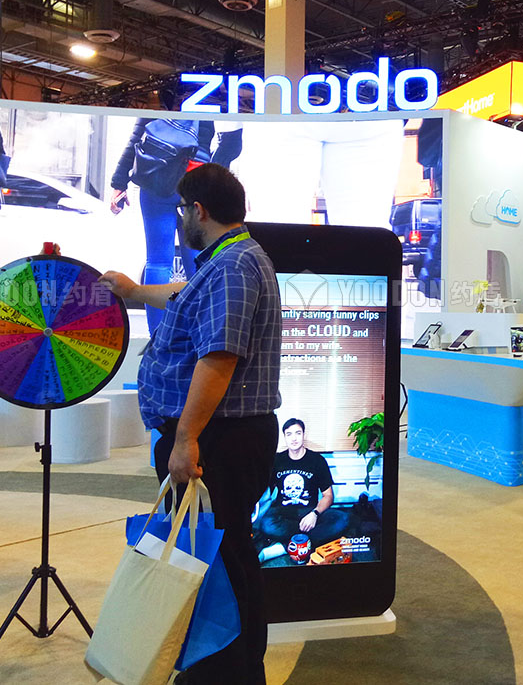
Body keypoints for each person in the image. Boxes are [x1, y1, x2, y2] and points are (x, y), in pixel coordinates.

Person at [99, 164, 280, 685]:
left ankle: (230, 672)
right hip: (219, 436)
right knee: (218, 551)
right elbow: (186, 294)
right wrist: (136, 292)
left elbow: (218, 358)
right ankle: (222, 667)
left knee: (222, 557)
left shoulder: (233, 266)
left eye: (181, 210)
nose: (179, 220)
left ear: (197, 211)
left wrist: (185, 439)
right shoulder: (229, 260)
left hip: (219, 439)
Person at [109, 117, 243, 334]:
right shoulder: (209, 101)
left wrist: (118, 183)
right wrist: (215, 176)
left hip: (157, 176)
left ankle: (157, 336)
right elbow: (231, 142)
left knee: (157, 262)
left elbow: (137, 136)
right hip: (197, 178)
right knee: (198, 263)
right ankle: (198, 333)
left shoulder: (156, 101)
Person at [254, 419, 349, 553]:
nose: (294, 438)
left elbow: (328, 496)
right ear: (284, 437)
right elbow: (265, 491)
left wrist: (315, 514)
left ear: (304, 434)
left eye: (298, 433)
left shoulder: (317, 460)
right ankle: (307, 542)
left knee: (343, 519)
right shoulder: (277, 460)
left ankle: (286, 545)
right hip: (284, 512)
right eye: (289, 434)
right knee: (266, 524)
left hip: (310, 510)